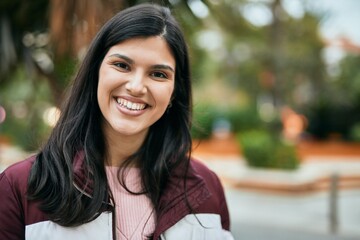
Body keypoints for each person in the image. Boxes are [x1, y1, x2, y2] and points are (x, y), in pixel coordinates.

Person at [0, 3, 234, 240]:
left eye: (158, 74)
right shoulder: (21, 186)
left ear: (174, 92)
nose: (136, 87)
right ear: (96, 73)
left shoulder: (206, 189)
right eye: (122, 65)